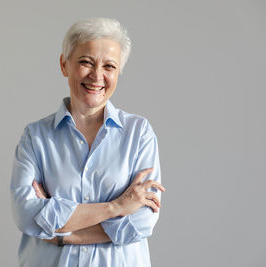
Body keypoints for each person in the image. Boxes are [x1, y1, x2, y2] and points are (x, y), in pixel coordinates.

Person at [10, 17, 165, 267]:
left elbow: (142, 222)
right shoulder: (35, 137)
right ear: (64, 64)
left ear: (119, 72)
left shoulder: (139, 134)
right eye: (86, 62)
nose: (97, 76)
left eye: (109, 66)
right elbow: (27, 216)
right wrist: (117, 207)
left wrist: (64, 234)